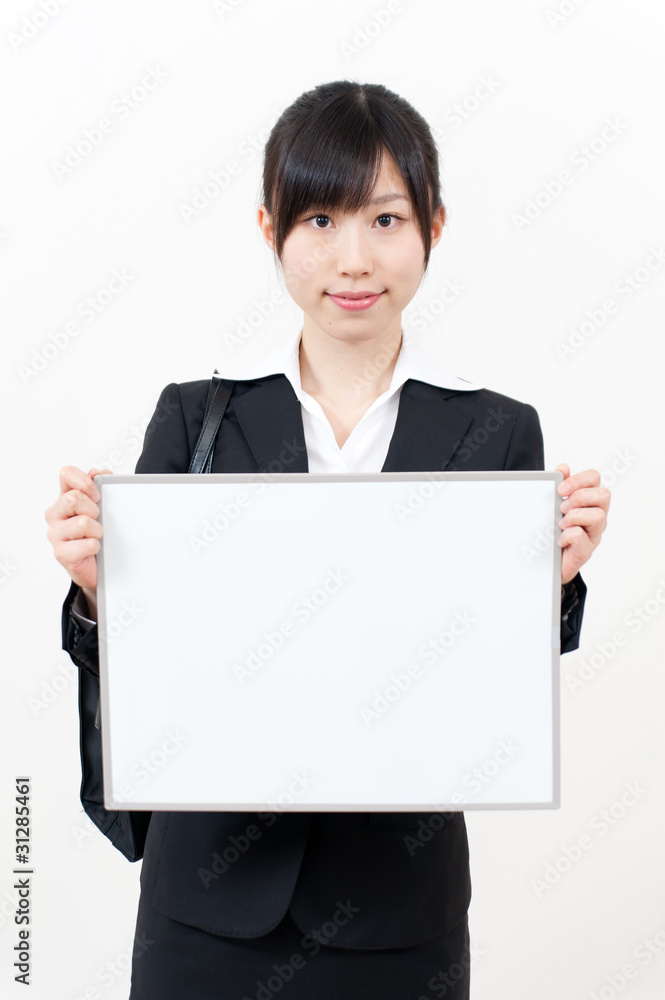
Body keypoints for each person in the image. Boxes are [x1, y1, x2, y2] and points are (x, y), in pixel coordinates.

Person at [45, 80, 610, 999]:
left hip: (397, 917)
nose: (352, 258)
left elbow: (488, 699)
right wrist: (98, 591)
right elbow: (149, 674)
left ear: (434, 223)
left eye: (385, 220)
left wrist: (546, 590)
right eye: (319, 219)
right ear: (270, 229)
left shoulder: (497, 433)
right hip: (205, 909)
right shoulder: (194, 420)